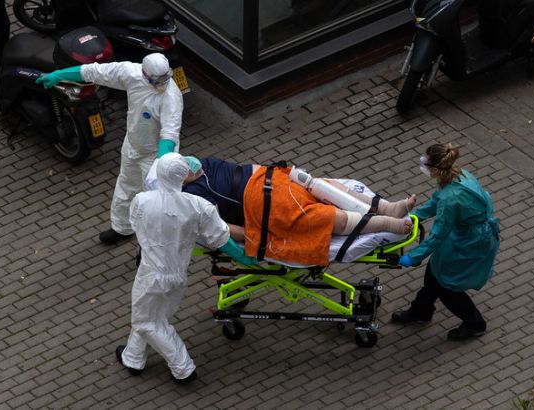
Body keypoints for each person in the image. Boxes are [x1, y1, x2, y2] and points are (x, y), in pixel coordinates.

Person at [115, 153, 257, 384]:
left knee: (145, 321)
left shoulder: (142, 201)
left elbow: (135, 224)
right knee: (155, 317)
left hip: (151, 275)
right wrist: (247, 259)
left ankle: (183, 368)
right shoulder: (199, 206)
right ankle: (133, 358)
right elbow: (221, 238)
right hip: (178, 276)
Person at [147, 156, 415, 267]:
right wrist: (253, 236)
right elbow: (222, 228)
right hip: (264, 199)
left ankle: (387, 211)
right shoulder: (195, 192)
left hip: (268, 184)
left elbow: (223, 228)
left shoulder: (198, 171)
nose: (190, 165)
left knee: (319, 192)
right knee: (319, 209)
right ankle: (386, 219)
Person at [36, 53, 183, 245]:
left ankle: (156, 248)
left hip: (156, 156)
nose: (163, 84)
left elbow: (169, 134)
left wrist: (160, 166)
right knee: (125, 188)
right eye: (158, 81)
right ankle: (122, 228)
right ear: (145, 74)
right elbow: (94, 71)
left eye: (165, 78)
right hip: (133, 145)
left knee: (159, 205)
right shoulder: (131, 73)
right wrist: (59, 75)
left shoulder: (171, 97)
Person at [392, 143, 500, 341]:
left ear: (435, 169)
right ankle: (421, 311)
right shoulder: (458, 175)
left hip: (470, 243)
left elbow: (438, 236)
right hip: (468, 235)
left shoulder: (451, 198)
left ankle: (475, 324)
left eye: (425, 163)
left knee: (447, 287)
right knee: (433, 274)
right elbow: (436, 201)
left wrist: (413, 257)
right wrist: (415, 216)